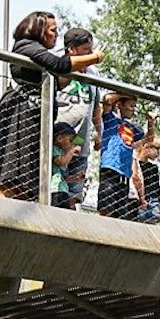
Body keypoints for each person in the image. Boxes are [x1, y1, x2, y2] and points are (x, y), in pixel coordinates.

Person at [0, 11, 102, 201]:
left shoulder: (39, 52)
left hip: (35, 118)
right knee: (13, 175)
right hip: (20, 116)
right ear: (39, 29)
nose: (56, 34)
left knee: (30, 179)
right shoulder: (26, 46)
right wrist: (96, 57)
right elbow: (58, 65)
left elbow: (58, 79)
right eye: (53, 30)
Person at [52, 27, 101, 203]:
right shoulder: (58, 64)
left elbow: (96, 106)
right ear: (71, 49)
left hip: (81, 143)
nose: (91, 54)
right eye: (86, 50)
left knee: (74, 192)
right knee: (55, 189)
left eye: (91, 50)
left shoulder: (94, 73)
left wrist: (99, 132)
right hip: (58, 143)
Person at [97, 91, 155, 221]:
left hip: (124, 175)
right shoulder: (111, 118)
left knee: (120, 213)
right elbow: (107, 99)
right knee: (106, 208)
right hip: (110, 169)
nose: (133, 109)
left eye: (134, 106)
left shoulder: (132, 128)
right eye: (130, 105)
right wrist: (125, 93)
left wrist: (151, 123)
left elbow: (148, 139)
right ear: (119, 105)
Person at [49, 122, 82, 209]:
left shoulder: (61, 152)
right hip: (55, 189)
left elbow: (62, 177)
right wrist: (72, 150)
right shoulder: (53, 149)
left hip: (63, 189)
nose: (72, 144)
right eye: (70, 140)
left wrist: (74, 178)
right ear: (59, 138)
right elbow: (61, 162)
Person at [134, 132, 160, 224]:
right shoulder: (135, 164)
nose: (158, 153)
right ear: (146, 146)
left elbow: (157, 189)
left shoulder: (153, 168)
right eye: (157, 149)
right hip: (139, 202)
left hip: (153, 203)